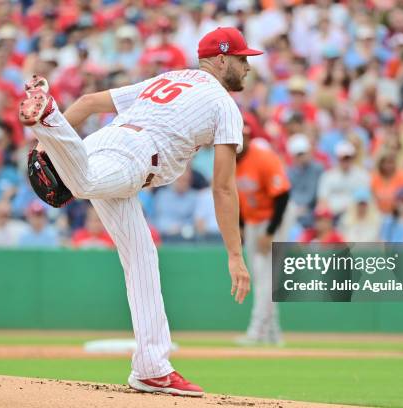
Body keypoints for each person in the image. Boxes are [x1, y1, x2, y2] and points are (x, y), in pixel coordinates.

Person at [19, 27, 260, 397]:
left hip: (105, 143)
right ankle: (50, 119)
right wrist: (234, 255)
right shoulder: (224, 105)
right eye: (242, 58)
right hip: (133, 157)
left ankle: (151, 367)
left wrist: (42, 148)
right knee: (82, 184)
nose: (247, 66)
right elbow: (223, 187)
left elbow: (86, 102)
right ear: (222, 59)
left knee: (142, 257)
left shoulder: (169, 78)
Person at [235, 115, 290, 346]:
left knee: (265, 279)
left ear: (248, 136)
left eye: (243, 135)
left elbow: (283, 195)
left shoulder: (264, 158)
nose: (239, 139)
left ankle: (258, 330)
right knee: (260, 279)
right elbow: (232, 196)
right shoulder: (229, 160)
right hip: (251, 222)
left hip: (272, 221)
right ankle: (273, 333)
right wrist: (239, 226)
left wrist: (270, 232)